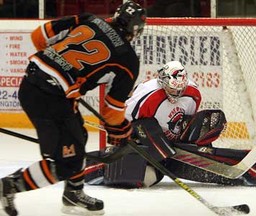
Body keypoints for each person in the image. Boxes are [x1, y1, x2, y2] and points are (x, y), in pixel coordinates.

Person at [0, 1, 146, 216]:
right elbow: (111, 113)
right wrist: (123, 130)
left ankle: (73, 193)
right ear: (136, 29)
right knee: (66, 164)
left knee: (78, 135)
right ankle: (10, 185)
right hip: (51, 100)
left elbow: (38, 36)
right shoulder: (128, 60)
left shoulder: (89, 19)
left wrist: (59, 63)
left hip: (32, 82)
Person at [85, 60, 256, 188]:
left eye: (180, 89)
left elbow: (186, 120)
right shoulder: (147, 96)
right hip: (145, 139)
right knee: (146, 130)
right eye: (172, 89)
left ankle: (240, 166)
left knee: (212, 120)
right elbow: (122, 121)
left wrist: (193, 145)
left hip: (171, 141)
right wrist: (130, 138)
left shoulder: (192, 93)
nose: (176, 94)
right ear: (162, 81)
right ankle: (155, 156)